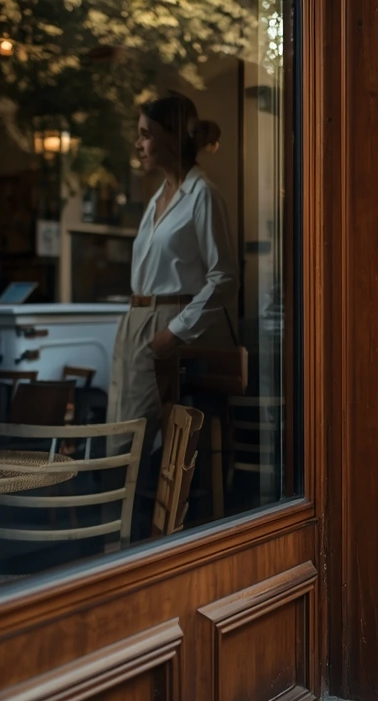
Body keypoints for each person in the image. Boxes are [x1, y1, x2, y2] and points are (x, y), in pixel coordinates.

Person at [108, 93, 237, 458]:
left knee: (133, 440)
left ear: (171, 136)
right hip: (137, 322)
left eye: (146, 134)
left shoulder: (202, 196)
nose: (139, 144)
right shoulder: (157, 199)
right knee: (118, 432)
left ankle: (133, 514)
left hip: (168, 323)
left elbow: (224, 276)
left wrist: (174, 333)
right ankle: (124, 513)